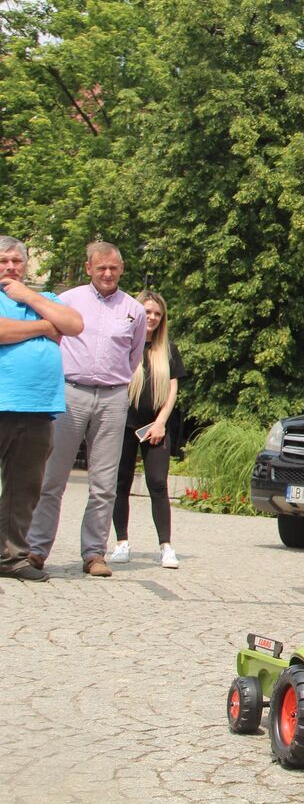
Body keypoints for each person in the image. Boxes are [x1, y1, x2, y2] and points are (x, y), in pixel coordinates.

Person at [27, 241, 147, 577]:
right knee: (52, 477)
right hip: (70, 392)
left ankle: (94, 553)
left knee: (105, 482)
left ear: (122, 269)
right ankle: (36, 550)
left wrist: (116, 383)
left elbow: (134, 356)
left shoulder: (134, 310)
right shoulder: (67, 301)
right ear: (88, 268)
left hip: (112, 397)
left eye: (114, 268)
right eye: (101, 267)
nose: (107, 274)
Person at [0, 236, 84, 582]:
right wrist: (45, 328)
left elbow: (74, 325)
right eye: (3, 261)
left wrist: (29, 297)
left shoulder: (44, 298)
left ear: (26, 264)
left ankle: (11, 557)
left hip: (39, 408)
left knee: (25, 487)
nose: (10, 267)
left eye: (16, 261)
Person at [110, 291, 185, 569]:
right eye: (147, 312)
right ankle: (121, 542)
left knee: (157, 483)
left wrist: (161, 422)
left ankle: (166, 546)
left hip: (155, 426)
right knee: (120, 483)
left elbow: (172, 389)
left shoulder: (168, 349)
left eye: (157, 313)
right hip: (123, 422)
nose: (152, 317)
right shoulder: (124, 344)